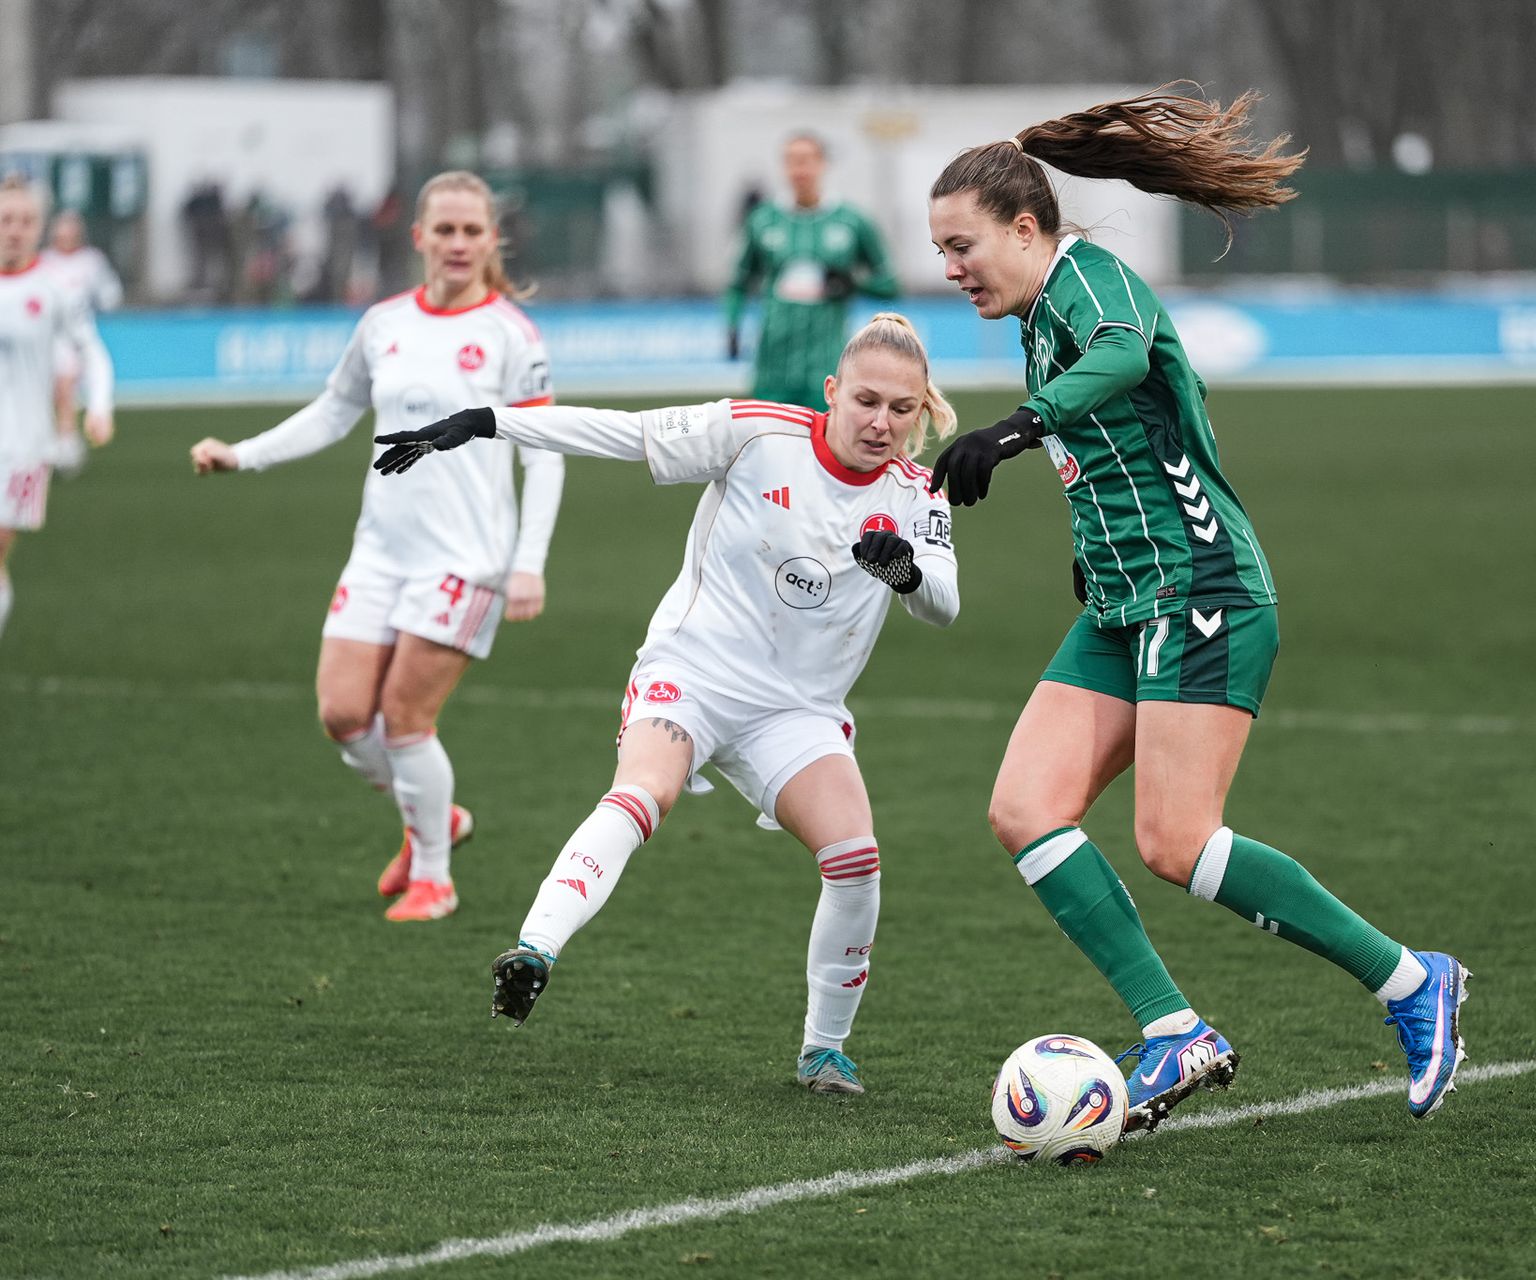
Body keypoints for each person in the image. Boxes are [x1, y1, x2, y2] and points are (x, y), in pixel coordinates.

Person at [923, 86, 1469, 1132]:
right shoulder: (1040, 316)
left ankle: (1411, 980)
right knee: (1025, 808)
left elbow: (1124, 358)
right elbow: (1120, 448)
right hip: (1129, 600)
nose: (952, 270)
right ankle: (1174, 1026)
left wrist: (1015, 428)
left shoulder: (1090, 283)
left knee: (1176, 839)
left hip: (1203, 588)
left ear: (1026, 228)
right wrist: (1089, 556)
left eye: (962, 246)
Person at [371, 313, 959, 1095]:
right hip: (694, 671)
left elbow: (945, 605)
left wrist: (907, 575)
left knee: (855, 859)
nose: (881, 422)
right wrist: (486, 422)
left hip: (797, 712)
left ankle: (824, 1052)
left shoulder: (918, 495)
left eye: (901, 408)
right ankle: (535, 949)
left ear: (921, 413)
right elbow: (620, 431)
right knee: (646, 790)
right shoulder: (753, 433)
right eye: (867, 400)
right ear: (832, 393)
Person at [188, 171, 564, 922]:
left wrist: (530, 562)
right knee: (342, 714)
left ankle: (434, 878)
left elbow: (544, 451)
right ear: (419, 236)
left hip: (467, 559)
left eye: (472, 231)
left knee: (405, 719)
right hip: (380, 552)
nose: (458, 244)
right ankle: (438, 818)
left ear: (493, 240)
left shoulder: (511, 336)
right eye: (444, 230)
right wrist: (245, 453)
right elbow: (334, 410)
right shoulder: (384, 323)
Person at [0, 177, 114, 645]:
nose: (14, 230)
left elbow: (94, 351)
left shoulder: (53, 289)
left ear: (39, 227)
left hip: (22, 448)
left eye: (25, 221)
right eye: (6, 219)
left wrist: (100, 407)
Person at [723, 133, 899, 412]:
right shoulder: (762, 220)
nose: (799, 169)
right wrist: (732, 325)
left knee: (825, 451)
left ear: (823, 164)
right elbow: (738, 283)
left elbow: (890, 284)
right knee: (767, 447)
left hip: (827, 366)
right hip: (772, 365)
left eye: (806, 160)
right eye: (791, 161)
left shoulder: (852, 220)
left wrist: (852, 283)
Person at [43, 209, 124, 474]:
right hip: (49, 336)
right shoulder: (44, 261)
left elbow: (109, 293)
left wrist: (107, 302)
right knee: (57, 392)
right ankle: (62, 440)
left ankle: (68, 443)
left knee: (66, 386)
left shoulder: (91, 261)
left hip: (78, 333)